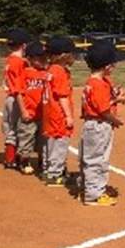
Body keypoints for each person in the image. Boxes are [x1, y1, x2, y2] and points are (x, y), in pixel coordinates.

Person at [81, 40, 125, 206]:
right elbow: (104, 110)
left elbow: (105, 101)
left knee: (98, 158)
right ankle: (93, 194)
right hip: (98, 126)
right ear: (107, 66)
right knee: (96, 159)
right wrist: (116, 120)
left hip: (98, 125)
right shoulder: (97, 85)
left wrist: (117, 98)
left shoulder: (97, 82)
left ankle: (93, 186)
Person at [42, 36, 77, 186]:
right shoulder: (60, 72)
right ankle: (55, 174)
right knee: (60, 143)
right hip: (58, 114)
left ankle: (48, 169)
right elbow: (62, 96)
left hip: (49, 113)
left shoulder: (50, 69)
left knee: (50, 143)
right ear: (63, 55)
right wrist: (68, 116)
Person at [1, 29, 31, 170]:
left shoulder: (9, 60)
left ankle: (10, 158)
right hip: (16, 98)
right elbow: (19, 87)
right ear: (23, 46)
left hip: (9, 97)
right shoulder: (18, 62)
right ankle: (12, 159)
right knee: (17, 127)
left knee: (10, 127)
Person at [17, 42, 48, 175]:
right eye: (38, 58)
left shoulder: (47, 73)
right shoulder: (25, 73)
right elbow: (19, 93)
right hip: (29, 113)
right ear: (29, 58)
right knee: (26, 138)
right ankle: (23, 161)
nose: (42, 60)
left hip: (44, 115)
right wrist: (23, 111)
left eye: (44, 57)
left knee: (43, 140)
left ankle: (42, 162)